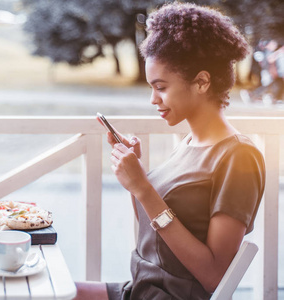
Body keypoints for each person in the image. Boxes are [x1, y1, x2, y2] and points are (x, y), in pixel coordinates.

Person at [74, 2, 266, 300]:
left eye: (161, 87)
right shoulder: (189, 143)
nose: (153, 99)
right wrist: (135, 182)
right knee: (48, 289)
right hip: (139, 289)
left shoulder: (238, 157)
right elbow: (154, 236)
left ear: (202, 82)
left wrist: (143, 188)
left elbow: (214, 276)